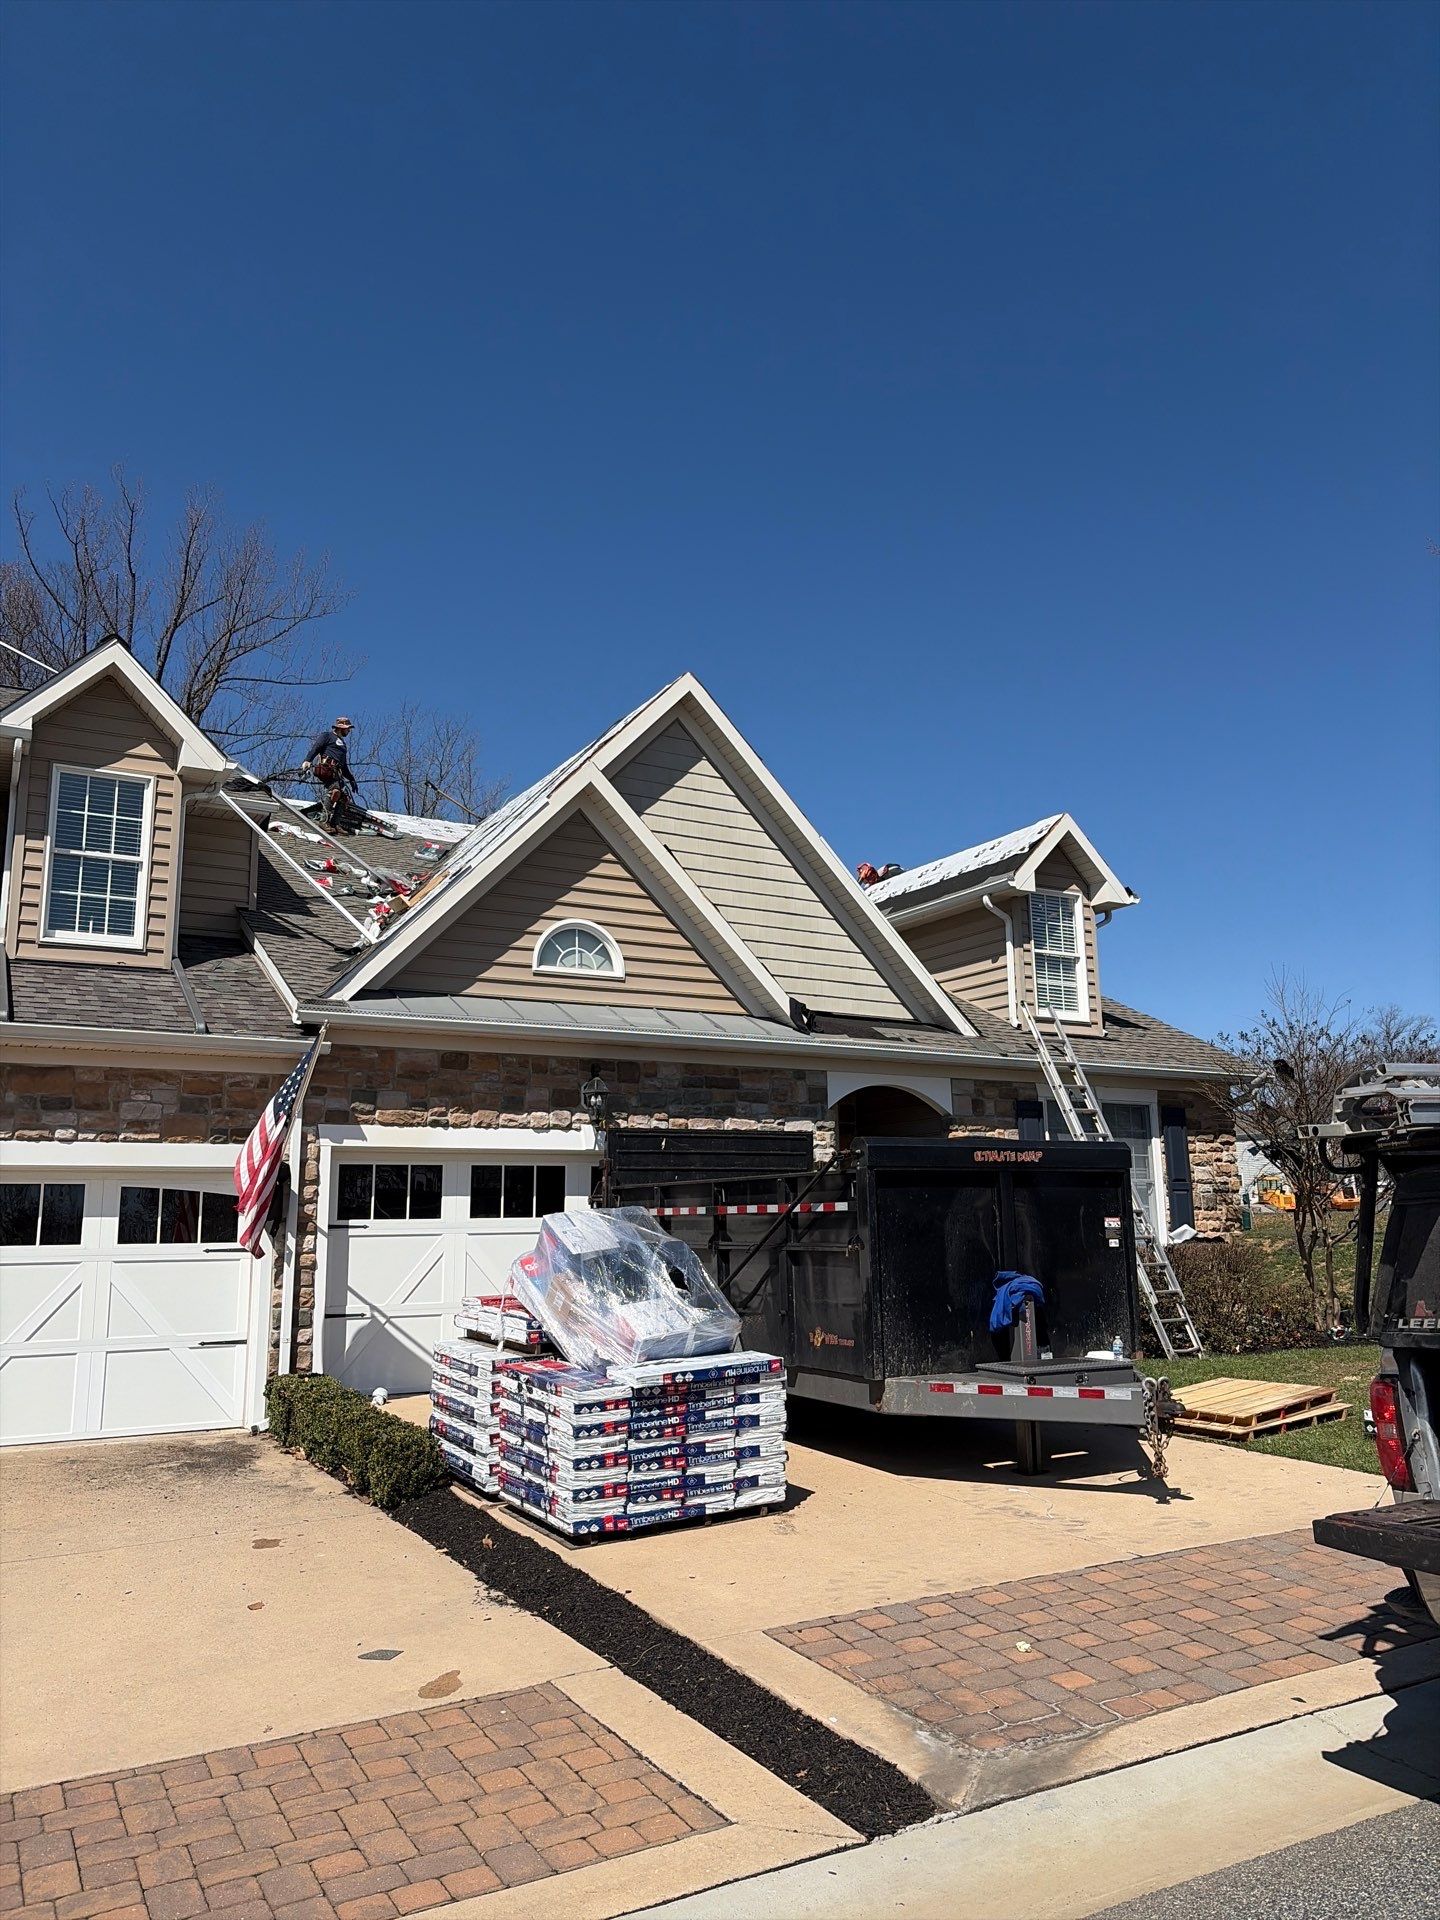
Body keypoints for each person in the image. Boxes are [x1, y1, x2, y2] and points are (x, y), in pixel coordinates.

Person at [302, 716, 359, 831]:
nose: (348, 731)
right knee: (335, 791)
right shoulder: (327, 736)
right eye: (347, 728)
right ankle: (323, 820)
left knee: (344, 798)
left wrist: (352, 779)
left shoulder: (343, 744)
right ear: (340, 727)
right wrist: (308, 760)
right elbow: (316, 748)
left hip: (336, 772)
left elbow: (344, 765)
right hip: (326, 768)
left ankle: (335, 824)